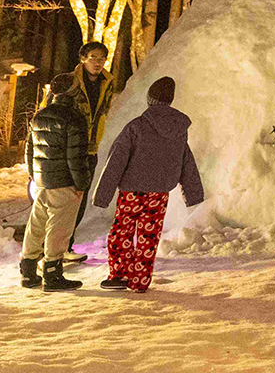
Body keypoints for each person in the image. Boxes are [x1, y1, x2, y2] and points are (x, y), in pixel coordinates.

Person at [92, 77, 205, 292]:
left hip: (132, 192)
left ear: (149, 100)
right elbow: (186, 161)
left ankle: (120, 276)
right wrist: (193, 193)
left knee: (122, 233)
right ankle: (141, 281)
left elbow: (116, 160)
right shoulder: (178, 130)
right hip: (159, 194)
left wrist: (103, 195)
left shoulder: (137, 126)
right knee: (149, 236)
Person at [50, 42, 123, 263]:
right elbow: (50, 112)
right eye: (93, 57)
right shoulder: (68, 82)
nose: (98, 62)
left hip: (89, 149)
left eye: (102, 58)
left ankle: (65, 247)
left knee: (79, 201)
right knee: (62, 201)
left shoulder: (107, 83)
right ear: (82, 58)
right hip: (66, 149)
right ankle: (51, 250)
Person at [20, 90, 93, 291]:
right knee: (59, 228)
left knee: (37, 223)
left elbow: (29, 149)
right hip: (64, 181)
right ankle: (52, 274)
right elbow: (76, 156)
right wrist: (82, 184)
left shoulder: (40, 115)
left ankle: (27, 270)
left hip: (43, 179)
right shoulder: (74, 118)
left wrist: (35, 175)